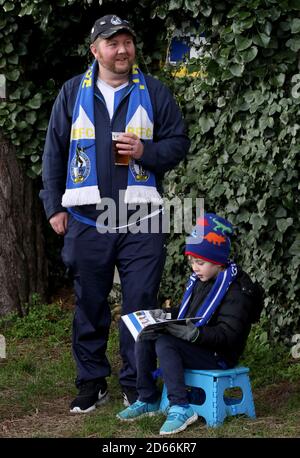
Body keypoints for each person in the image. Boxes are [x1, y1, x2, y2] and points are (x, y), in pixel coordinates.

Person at [39, 14, 190, 413]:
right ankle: (92, 383)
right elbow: (54, 152)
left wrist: (146, 152)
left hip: (144, 220)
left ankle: (136, 384)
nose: (122, 49)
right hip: (88, 221)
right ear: (95, 50)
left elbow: (178, 143)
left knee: (140, 306)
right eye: (112, 43)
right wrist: (54, 206)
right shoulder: (72, 92)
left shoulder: (155, 91)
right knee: (89, 303)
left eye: (127, 42)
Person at [116, 213, 264, 435]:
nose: (195, 267)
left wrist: (195, 335)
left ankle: (181, 407)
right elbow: (190, 313)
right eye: (192, 261)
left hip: (218, 354)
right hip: (200, 343)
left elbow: (228, 334)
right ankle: (147, 397)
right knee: (147, 334)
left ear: (218, 261)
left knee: (166, 343)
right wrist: (161, 316)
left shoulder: (237, 290)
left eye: (200, 262)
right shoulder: (202, 279)